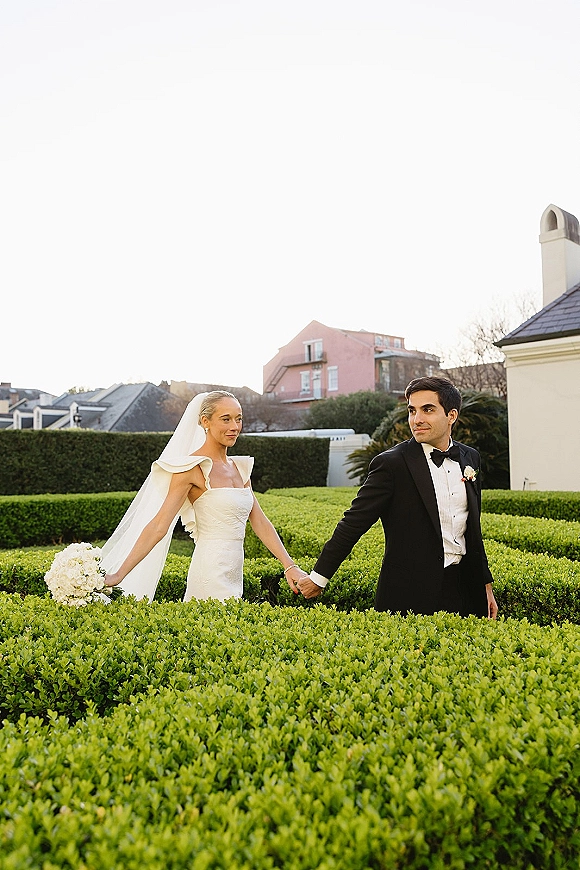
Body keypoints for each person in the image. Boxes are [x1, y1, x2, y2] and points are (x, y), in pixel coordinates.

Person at [297, 376, 498, 619]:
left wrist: (485, 585)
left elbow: (473, 530)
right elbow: (353, 523)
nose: (417, 419)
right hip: (409, 595)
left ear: (451, 416)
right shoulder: (391, 464)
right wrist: (319, 578)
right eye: (412, 411)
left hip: (466, 592)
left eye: (428, 410)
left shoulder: (470, 458)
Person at [101, 391, 308, 601]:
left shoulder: (240, 467)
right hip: (209, 571)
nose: (235, 427)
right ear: (205, 421)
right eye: (225, 419)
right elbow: (158, 526)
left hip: (235, 572)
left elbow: (260, 522)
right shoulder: (190, 469)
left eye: (239, 419)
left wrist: (290, 566)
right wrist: (119, 574)